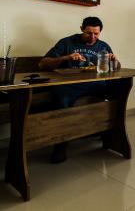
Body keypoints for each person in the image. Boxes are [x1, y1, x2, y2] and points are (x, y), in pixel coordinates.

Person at [39, 16, 119, 163]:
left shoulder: (103, 46)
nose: (92, 37)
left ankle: (107, 133)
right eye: (89, 33)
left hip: (94, 84)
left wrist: (115, 61)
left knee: (116, 93)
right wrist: (66, 58)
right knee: (61, 100)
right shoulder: (67, 42)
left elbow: (116, 68)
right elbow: (43, 64)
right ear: (82, 28)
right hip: (68, 85)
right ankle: (60, 146)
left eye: (96, 34)